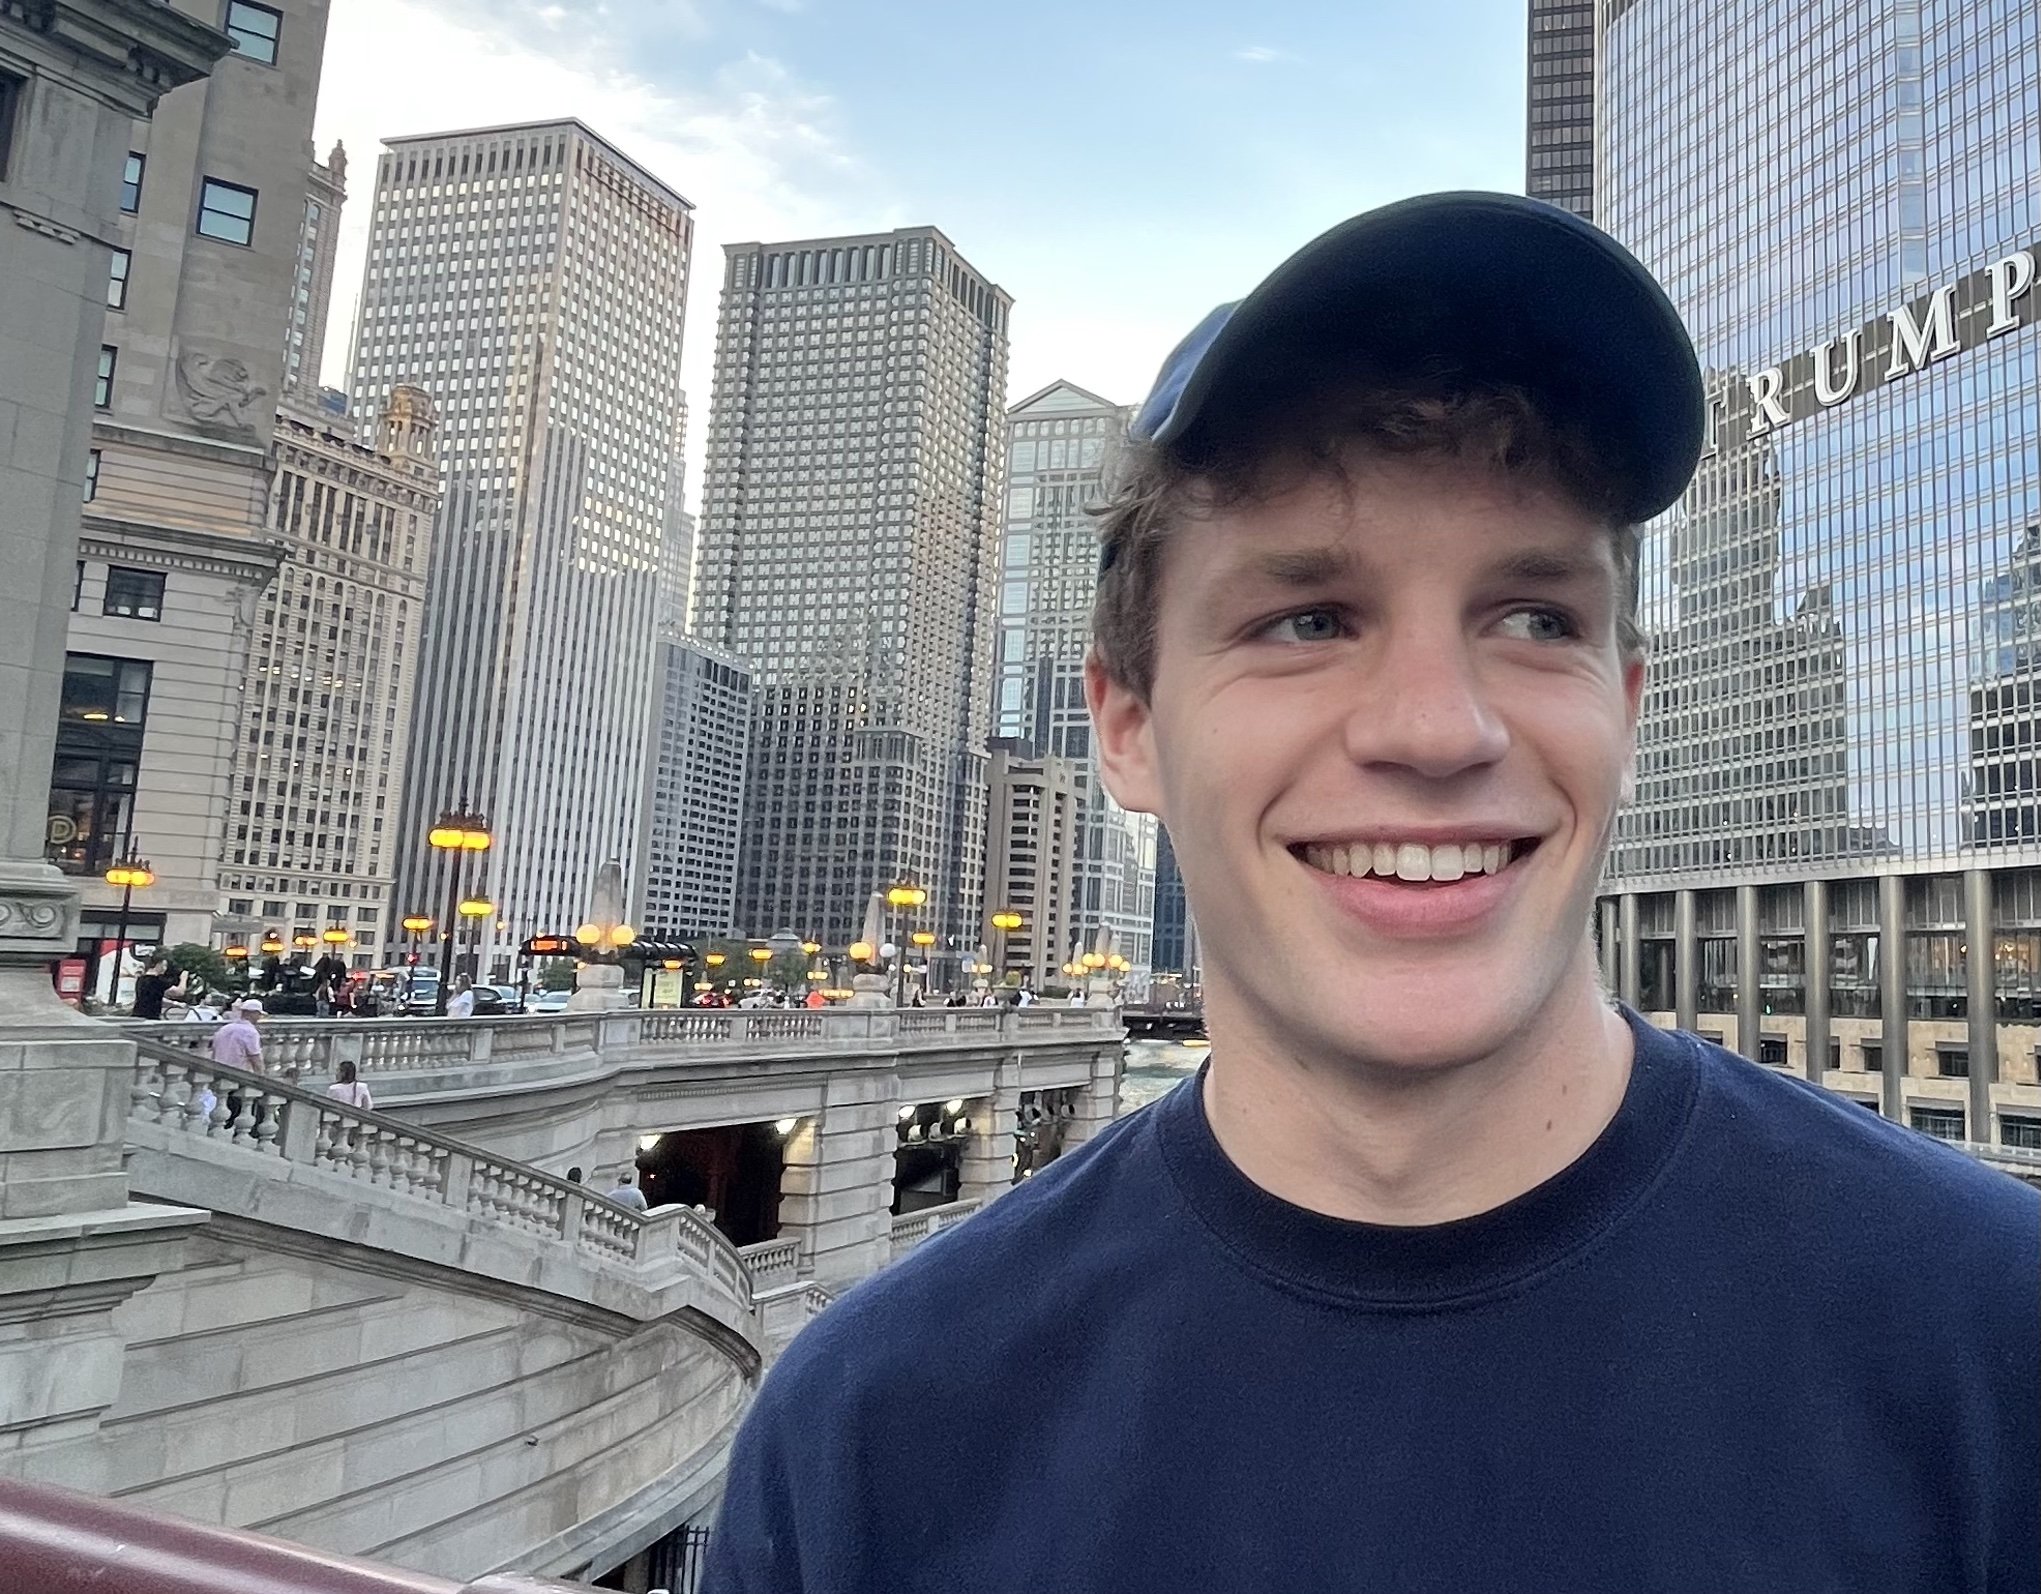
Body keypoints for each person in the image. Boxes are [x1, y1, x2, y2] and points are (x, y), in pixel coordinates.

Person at [703, 194, 2039, 1593]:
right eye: (1307, 619)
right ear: (1128, 724)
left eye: (1534, 618)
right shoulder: (873, 1433)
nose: (1436, 726)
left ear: (1626, 711)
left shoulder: (1993, 1341)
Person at [209, 998, 264, 1073]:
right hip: (239, 1074)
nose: (259, 1017)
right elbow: (255, 1058)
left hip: (219, 1072)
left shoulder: (224, 1029)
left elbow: (214, 1052)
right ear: (252, 1013)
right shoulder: (251, 1032)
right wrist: (260, 1076)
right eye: (259, 1014)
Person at [130, 954, 176, 1020]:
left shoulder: (141, 979)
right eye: (164, 965)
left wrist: (175, 1003)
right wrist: (184, 977)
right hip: (150, 1017)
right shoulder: (157, 981)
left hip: (137, 1015)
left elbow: (153, 998)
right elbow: (179, 992)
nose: (165, 968)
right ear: (158, 965)